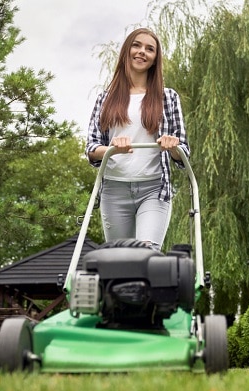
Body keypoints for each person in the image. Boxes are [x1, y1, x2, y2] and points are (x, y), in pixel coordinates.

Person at [86, 28, 190, 251]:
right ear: (127, 51)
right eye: (137, 45)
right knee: (118, 258)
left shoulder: (167, 97)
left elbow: (183, 153)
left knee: (146, 255)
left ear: (155, 59)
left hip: (154, 189)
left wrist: (173, 146)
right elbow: (92, 148)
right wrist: (112, 149)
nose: (142, 52)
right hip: (114, 189)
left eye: (149, 49)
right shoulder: (106, 98)